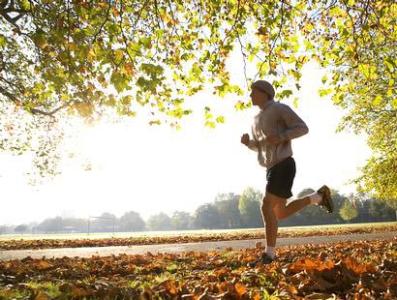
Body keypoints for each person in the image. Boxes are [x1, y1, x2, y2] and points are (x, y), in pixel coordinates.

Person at [241, 80, 333, 264]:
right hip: (271, 168)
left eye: (253, 92)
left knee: (266, 206)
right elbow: (262, 147)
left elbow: (302, 128)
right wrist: (249, 144)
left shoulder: (279, 109)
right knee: (280, 213)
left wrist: (282, 136)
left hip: (284, 164)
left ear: (265, 93)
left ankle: (269, 255)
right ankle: (318, 197)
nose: (250, 95)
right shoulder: (256, 119)